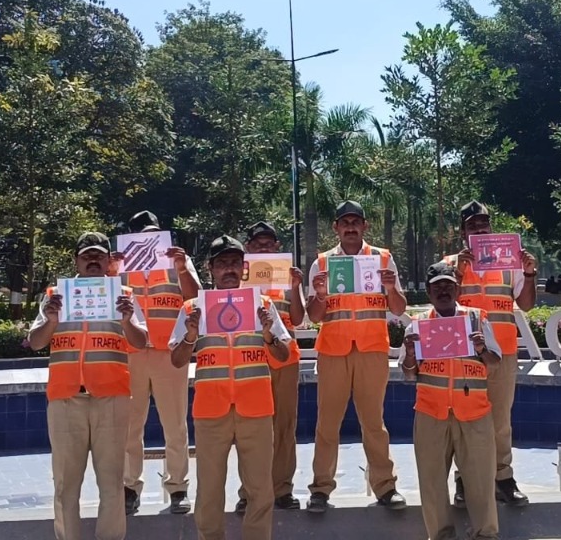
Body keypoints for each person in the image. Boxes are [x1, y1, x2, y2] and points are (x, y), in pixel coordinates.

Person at [28, 232, 150, 540]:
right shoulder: (56, 294)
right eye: (87, 256)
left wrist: (127, 320)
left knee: (111, 483)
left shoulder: (123, 294)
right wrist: (52, 319)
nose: (93, 261)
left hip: (111, 397)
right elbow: (35, 341)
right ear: (76, 261)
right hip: (66, 397)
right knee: (66, 485)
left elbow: (142, 341)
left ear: (109, 262)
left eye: (99, 256)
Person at [169, 235, 292, 540]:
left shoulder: (262, 305)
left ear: (243, 267)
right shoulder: (193, 308)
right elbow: (176, 360)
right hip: (212, 411)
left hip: (256, 408)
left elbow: (283, 354)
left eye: (234, 263)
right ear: (210, 268)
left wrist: (267, 335)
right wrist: (191, 335)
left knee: (260, 491)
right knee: (209, 490)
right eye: (222, 263)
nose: (229, 269)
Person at [305, 200, 408, 512]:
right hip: (333, 351)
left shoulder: (382, 259)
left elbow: (399, 309)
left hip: (371, 350)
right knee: (327, 424)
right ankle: (321, 489)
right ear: (336, 228)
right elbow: (314, 314)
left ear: (365, 226)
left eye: (356, 221)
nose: (350, 227)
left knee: (374, 423)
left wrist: (391, 288)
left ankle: (385, 487)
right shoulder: (321, 263)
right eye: (344, 222)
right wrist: (321, 295)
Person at [443, 200, 537, 507]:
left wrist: (530, 272)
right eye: (472, 226)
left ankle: (503, 479)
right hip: (464, 354)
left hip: (503, 351)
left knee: (500, 420)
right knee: (464, 418)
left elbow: (526, 304)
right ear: (462, 232)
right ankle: (463, 480)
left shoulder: (510, 261)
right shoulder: (449, 264)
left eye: (484, 224)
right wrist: (458, 269)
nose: (479, 229)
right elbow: (445, 302)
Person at [400, 262, 502, 540]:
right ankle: (441, 536)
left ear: (457, 289)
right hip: (431, 414)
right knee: (432, 484)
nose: (443, 291)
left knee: (481, 483)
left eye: (448, 285)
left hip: (474, 414)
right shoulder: (418, 324)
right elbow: (408, 374)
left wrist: (481, 348)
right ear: (429, 291)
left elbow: (495, 364)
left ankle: (486, 535)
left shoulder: (477, 319)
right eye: (437, 287)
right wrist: (410, 353)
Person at [119, 210, 201, 515]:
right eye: (142, 234)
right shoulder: (121, 264)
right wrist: (112, 269)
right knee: (130, 425)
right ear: (131, 238)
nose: (148, 239)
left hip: (170, 353)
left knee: (175, 425)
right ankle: (130, 487)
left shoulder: (177, 260)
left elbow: (195, 298)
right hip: (131, 352)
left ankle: (178, 487)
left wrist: (181, 268)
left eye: (154, 232)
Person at [235, 221, 305, 513]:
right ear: (248, 248)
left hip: (285, 360)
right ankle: (248, 491)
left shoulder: (285, 278)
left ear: (277, 247)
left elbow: (299, 320)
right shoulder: (237, 279)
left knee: (285, 427)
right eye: (257, 243)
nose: (263, 247)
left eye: (268, 243)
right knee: (250, 428)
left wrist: (296, 287)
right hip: (250, 360)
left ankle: (282, 489)